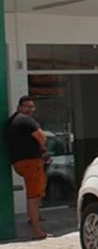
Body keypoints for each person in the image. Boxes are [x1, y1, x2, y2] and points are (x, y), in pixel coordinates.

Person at [5, 96, 49, 240]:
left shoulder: (11, 121)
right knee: (33, 197)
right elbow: (41, 137)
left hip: (18, 162)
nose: (30, 110)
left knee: (36, 192)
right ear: (20, 107)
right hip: (31, 162)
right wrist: (43, 148)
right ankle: (37, 231)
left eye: (32, 107)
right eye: (27, 106)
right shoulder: (26, 120)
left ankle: (36, 218)